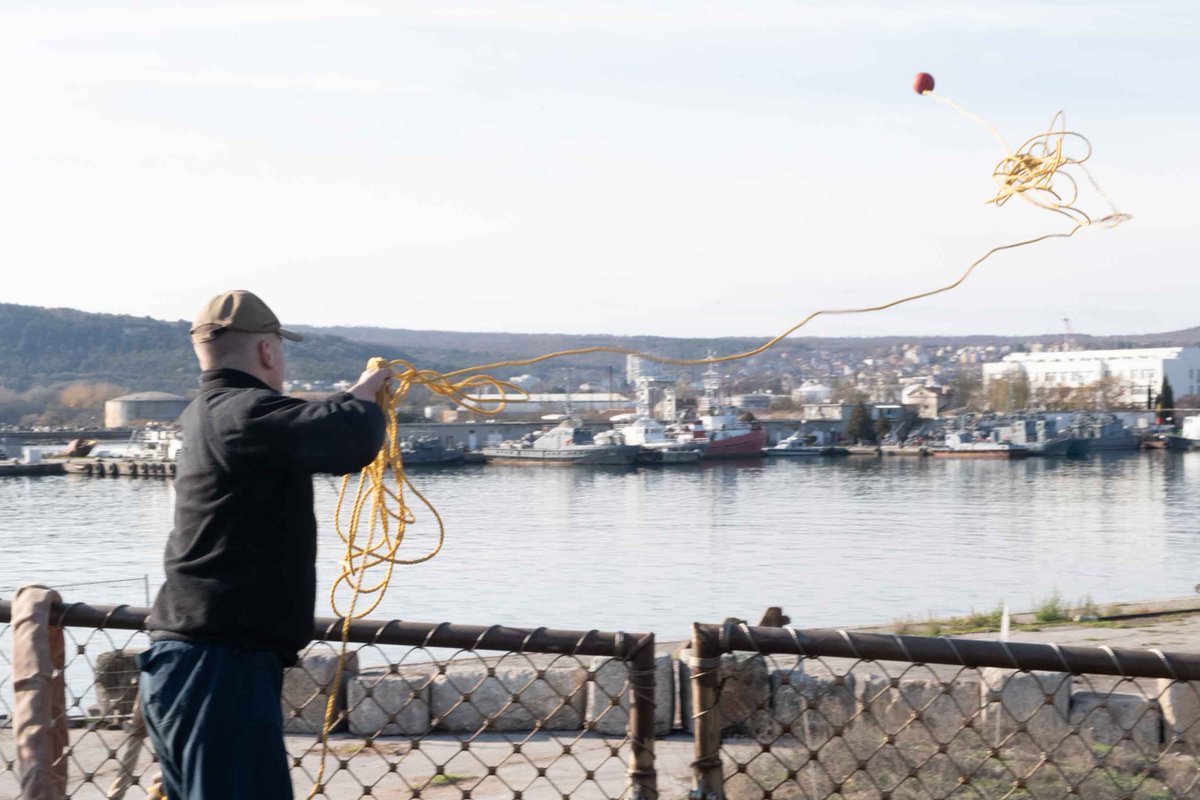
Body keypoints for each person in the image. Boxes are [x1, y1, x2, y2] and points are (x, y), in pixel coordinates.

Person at [137, 289, 389, 799]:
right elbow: (348, 441)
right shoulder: (241, 414)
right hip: (217, 668)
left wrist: (349, 401)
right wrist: (365, 400)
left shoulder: (214, 413)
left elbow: (296, 426)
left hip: (201, 663)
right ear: (268, 351)